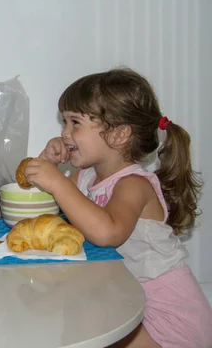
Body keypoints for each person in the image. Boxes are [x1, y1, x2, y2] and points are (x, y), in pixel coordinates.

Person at [23, 68, 212, 347]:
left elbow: (108, 232)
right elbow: (47, 213)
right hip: (125, 295)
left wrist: (58, 183)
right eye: (64, 122)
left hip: (163, 314)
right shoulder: (87, 177)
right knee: (82, 313)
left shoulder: (134, 185)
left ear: (120, 134)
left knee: (89, 319)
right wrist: (48, 164)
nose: (64, 133)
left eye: (76, 123)